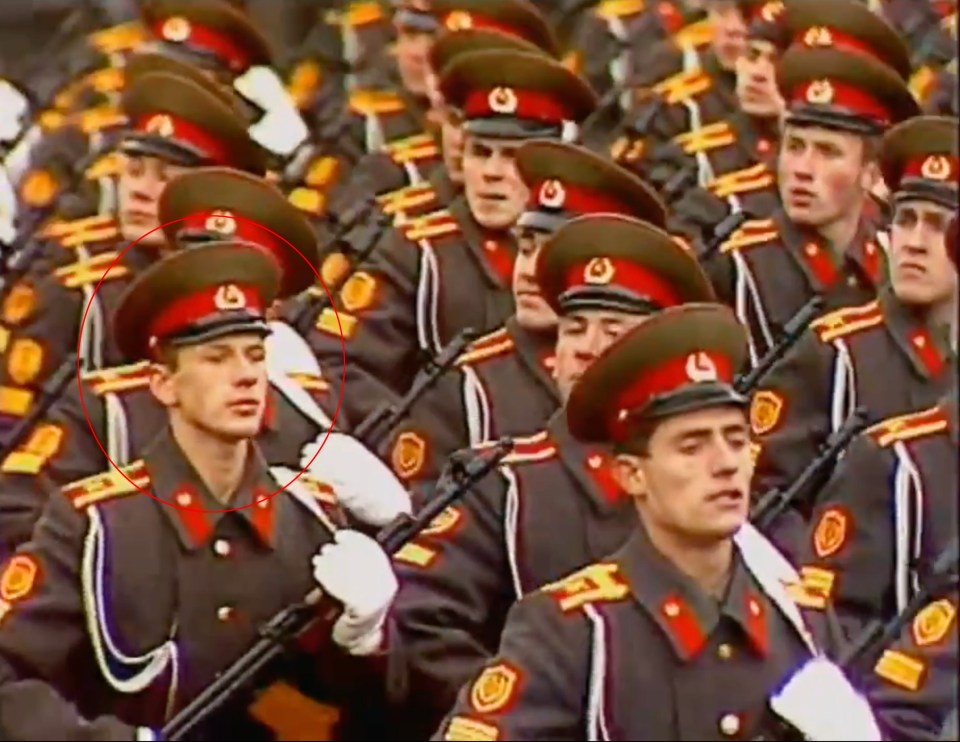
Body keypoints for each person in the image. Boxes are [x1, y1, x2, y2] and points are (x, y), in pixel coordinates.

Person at [0, 238, 399, 740]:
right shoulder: (96, 525)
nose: (246, 377)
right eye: (217, 358)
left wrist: (365, 642)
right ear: (164, 383)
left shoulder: (309, 516)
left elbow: (351, 718)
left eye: (255, 356)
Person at [433, 302, 882, 741]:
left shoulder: (801, 621)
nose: (725, 464)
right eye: (692, 446)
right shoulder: (575, 632)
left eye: (736, 439)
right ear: (632, 474)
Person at [386, 213, 715, 735]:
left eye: (613, 331)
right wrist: (519, 714)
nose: (586, 346)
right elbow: (426, 622)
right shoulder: (499, 484)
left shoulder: (714, 484)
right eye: (574, 328)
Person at [299, 46, 598, 432]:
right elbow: (340, 361)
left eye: (511, 157)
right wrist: (415, 439)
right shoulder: (416, 251)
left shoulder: (594, 247)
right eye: (480, 152)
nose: (491, 173)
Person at [379, 140, 670, 490]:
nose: (528, 271)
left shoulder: (658, 381)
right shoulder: (468, 387)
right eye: (526, 249)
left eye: (552, 256)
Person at [0, 66, 268, 433]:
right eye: (134, 170)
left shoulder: (251, 293)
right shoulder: (78, 297)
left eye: (166, 178)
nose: (139, 190)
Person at [749, 115, 958, 548]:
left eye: (938, 226)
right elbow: (762, 490)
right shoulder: (834, 352)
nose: (914, 242)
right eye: (906, 220)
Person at [707, 3, 918, 365]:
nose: (802, 169)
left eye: (828, 152)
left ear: (870, 173)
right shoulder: (735, 269)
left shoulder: (896, 260)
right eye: (794, 147)